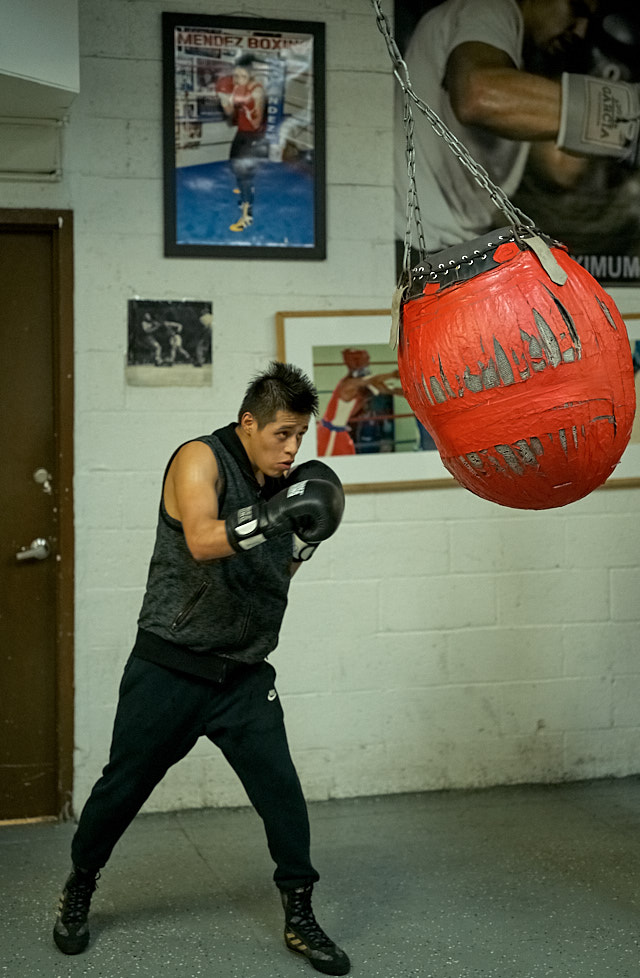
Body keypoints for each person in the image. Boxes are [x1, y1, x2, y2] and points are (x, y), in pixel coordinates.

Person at [52, 361, 351, 977]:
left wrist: (305, 539)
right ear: (249, 423)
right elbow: (202, 539)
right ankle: (80, 885)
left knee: (284, 798)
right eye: (282, 435)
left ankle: (299, 915)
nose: (293, 449)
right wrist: (272, 518)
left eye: (300, 436)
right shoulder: (199, 459)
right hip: (169, 667)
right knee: (121, 790)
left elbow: (273, 575)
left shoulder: (285, 482)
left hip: (242, 676)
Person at [394, 0, 617, 265]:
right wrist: (616, 111)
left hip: (453, 247)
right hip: (411, 242)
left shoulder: (522, 63)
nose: (580, 31)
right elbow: (477, 95)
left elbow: (562, 168)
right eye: (575, 9)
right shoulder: (491, 8)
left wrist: (595, 89)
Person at [317, 349, 401, 457]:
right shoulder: (348, 384)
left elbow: (389, 390)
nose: (362, 363)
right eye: (357, 360)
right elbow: (368, 380)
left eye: (364, 360)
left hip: (342, 432)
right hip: (330, 434)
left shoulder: (364, 383)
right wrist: (392, 375)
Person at [218, 53, 267, 233]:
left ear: (251, 75)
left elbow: (256, 123)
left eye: (243, 76)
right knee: (234, 164)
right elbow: (230, 114)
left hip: (255, 136)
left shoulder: (257, 91)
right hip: (242, 133)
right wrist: (226, 102)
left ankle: (247, 216)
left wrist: (247, 107)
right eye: (236, 76)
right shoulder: (238, 86)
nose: (239, 80)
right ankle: (245, 192)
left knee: (244, 175)